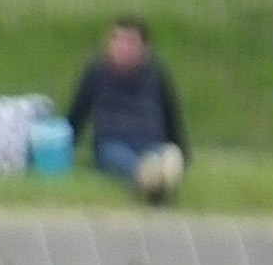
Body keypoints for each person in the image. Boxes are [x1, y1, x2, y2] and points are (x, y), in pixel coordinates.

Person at [65, 17, 188, 204]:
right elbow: (78, 112)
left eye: (129, 42)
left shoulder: (156, 72)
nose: (122, 47)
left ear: (144, 49)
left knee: (166, 155)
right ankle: (149, 179)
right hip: (112, 142)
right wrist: (65, 148)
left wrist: (182, 150)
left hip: (150, 140)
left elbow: (171, 112)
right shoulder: (96, 72)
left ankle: (159, 175)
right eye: (116, 40)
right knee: (121, 159)